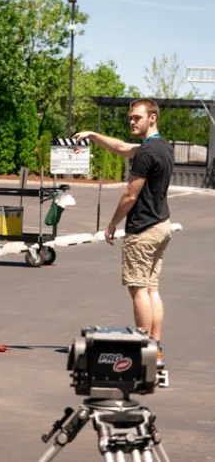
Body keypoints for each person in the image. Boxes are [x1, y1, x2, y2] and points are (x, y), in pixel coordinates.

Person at [73, 99, 174, 362]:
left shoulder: (146, 152)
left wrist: (112, 224)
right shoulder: (163, 147)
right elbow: (120, 148)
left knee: (138, 289)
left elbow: (130, 195)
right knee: (151, 288)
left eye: (137, 117)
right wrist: (94, 136)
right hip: (162, 225)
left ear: (152, 118)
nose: (132, 121)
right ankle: (155, 348)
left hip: (143, 230)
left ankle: (143, 349)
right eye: (130, 117)